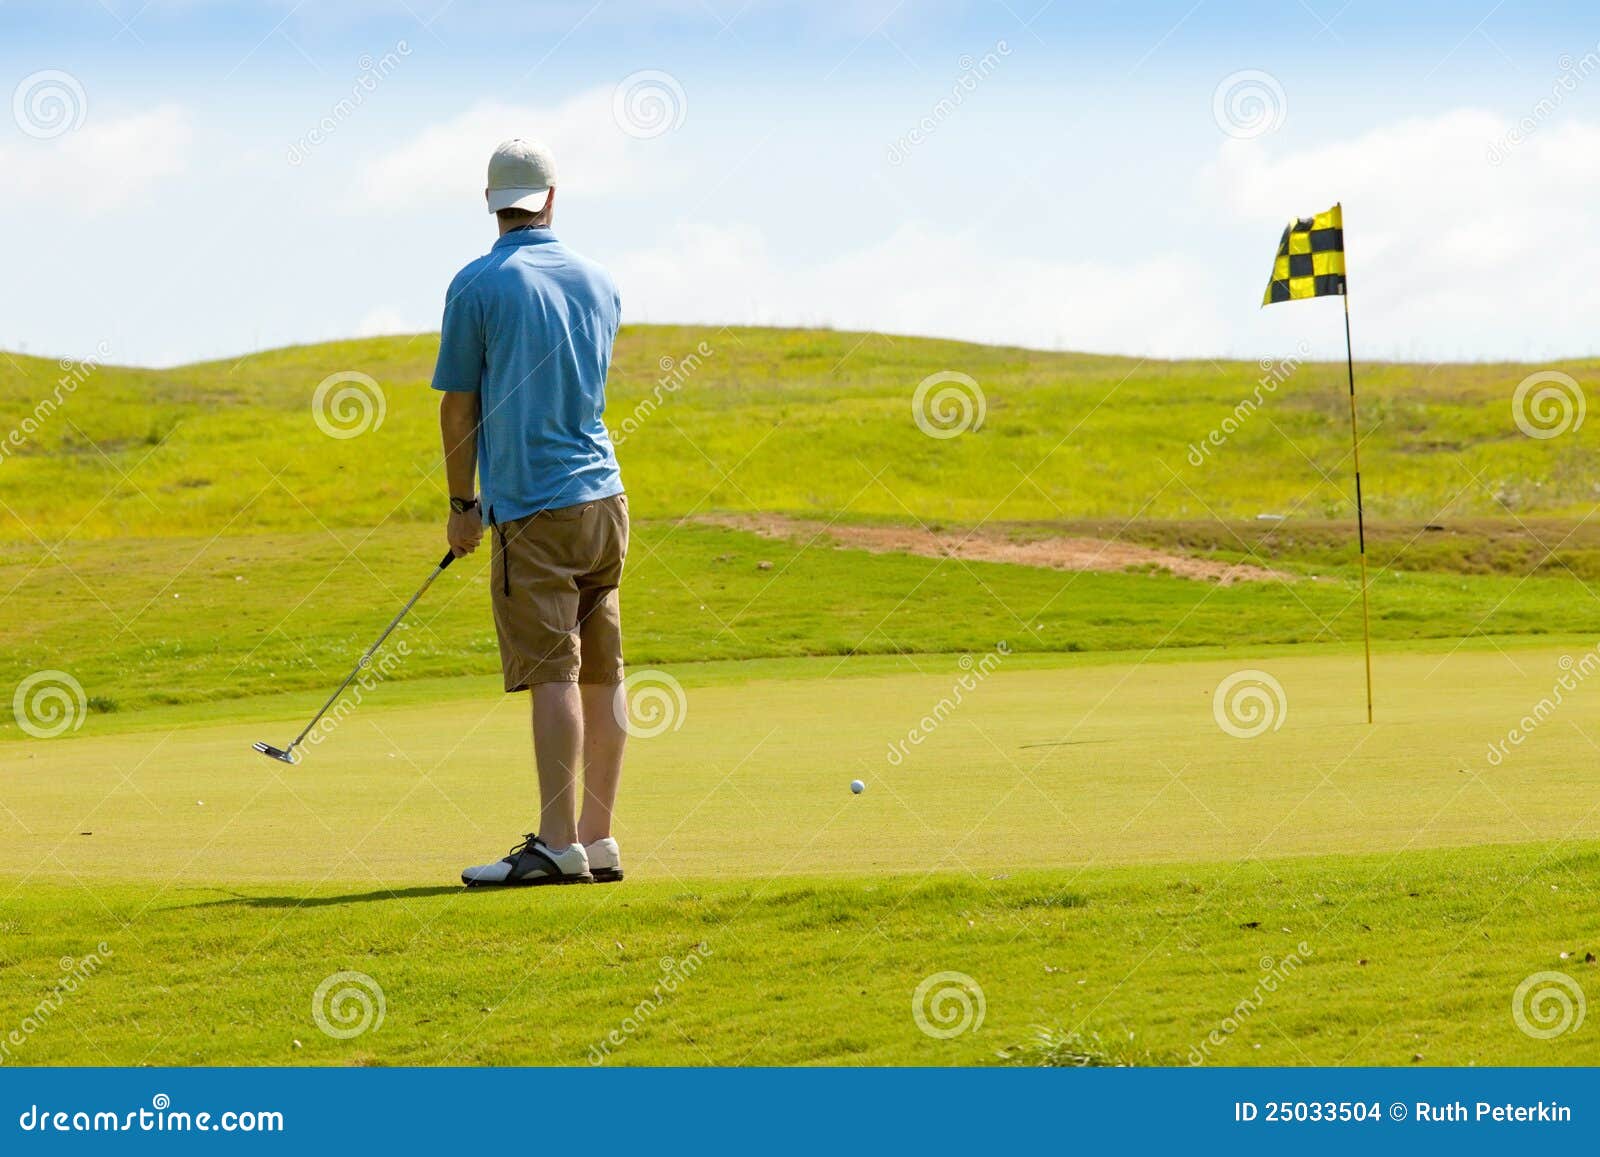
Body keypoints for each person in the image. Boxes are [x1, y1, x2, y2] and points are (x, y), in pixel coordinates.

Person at [432, 138, 630, 887]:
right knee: (602, 670)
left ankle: (554, 844)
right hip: (605, 501)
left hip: (534, 509)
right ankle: (596, 837)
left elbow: (460, 409)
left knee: (553, 672)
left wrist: (461, 507)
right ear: (551, 196)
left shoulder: (477, 284)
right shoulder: (600, 279)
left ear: (491, 203)